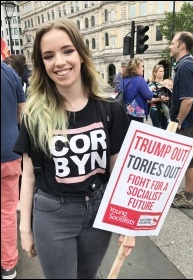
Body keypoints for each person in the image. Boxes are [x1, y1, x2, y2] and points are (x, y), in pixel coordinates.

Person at [13, 18, 133, 279]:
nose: (59, 62)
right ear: (42, 64)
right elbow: (29, 176)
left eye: (67, 51)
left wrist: (127, 221)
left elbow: (117, 170)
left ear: (80, 53)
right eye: (48, 56)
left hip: (98, 213)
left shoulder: (110, 109)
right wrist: (25, 230)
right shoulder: (35, 114)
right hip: (53, 214)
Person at [1, 62, 26, 279]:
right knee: (7, 212)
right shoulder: (9, 73)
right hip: (9, 151)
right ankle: (8, 265)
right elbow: (22, 114)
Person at [169, 31, 193, 209]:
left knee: (189, 161)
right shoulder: (188, 64)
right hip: (192, 121)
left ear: (181, 45)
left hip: (188, 122)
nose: (169, 46)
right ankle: (191, 190)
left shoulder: (185, 67)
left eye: (172, 43)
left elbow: (187, 99)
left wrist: (178, 121)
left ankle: (187, 196)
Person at [119, 57, 153, 123]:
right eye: (141, 66)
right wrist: (150, 90)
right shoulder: (139, 80)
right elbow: (149, 96)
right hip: (137, 113)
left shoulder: (123, 79)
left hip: (124, 111)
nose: (143, 68)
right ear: (136, 68)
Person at [148, 65, 170, 129]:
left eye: (163, 71)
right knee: (157, 130)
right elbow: (148, 100)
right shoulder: (151, 84)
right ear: (155, 73)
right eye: (160, 71)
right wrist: (159, 99)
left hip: (166, 111)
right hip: (155, 110)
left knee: (165, 131)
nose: (162, 73)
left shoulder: (166, 83)